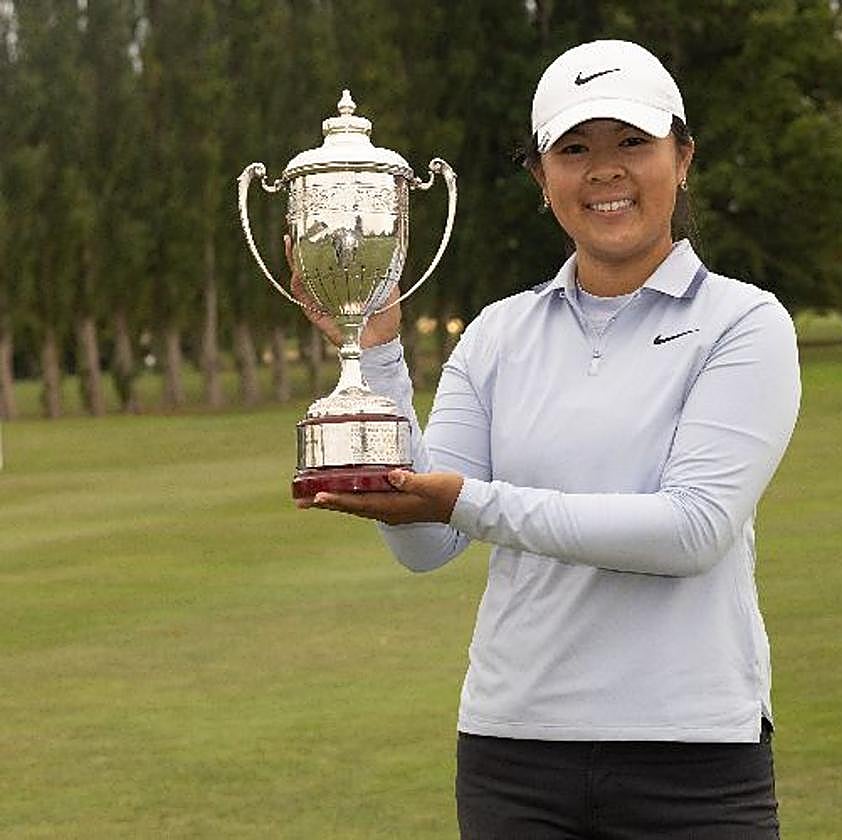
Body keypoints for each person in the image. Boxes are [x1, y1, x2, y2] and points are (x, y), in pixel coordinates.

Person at [294, 39, 801, 840]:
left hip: (692, 754)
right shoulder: (499, 333)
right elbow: (428, 545)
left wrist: (467, 502)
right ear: (541, 177)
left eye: (631, 142)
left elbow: (692, 530)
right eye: (574, 149)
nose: (604, 170)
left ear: (684, 156)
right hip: (513, 751)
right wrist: (381, 352)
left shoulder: (742, 322)